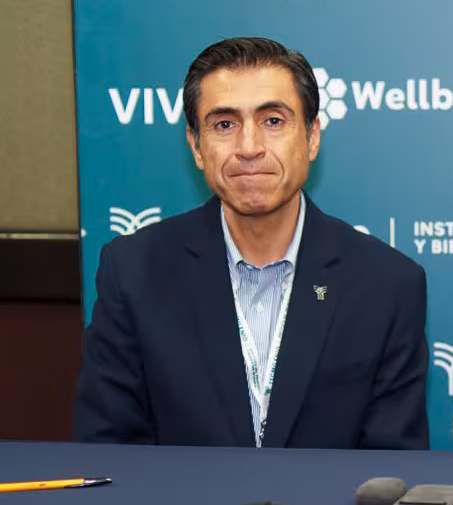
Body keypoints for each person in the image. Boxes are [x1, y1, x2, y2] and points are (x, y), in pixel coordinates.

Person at [74, 36, 430, 449]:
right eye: (224, 125)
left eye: (273, 121)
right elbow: (109, 451)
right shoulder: (134, 272)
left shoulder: (387, 284)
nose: (249, 148)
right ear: (196, 147)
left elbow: (391, 467)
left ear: (312, 137)